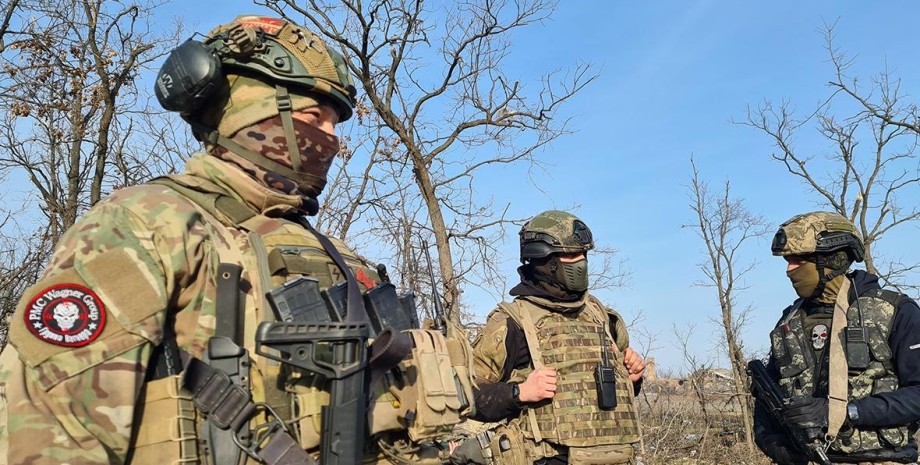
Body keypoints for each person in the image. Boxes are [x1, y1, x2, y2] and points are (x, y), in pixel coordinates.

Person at [0, 15, 472, 465]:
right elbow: (48, 432)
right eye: (315, 117)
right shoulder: (148, 225)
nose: (331, 138)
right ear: (253, 114)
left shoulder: (332, 252)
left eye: (336, 124)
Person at [452, 210, 645, 465]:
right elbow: (464, 396)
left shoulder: (600, 316)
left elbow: (606, 400)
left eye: (583, 254)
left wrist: (631, 378)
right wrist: (519, 392)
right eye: (570, 255)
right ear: (544, 260)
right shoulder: (512, 323)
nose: (580, 262)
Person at [753, 211, 920, 465]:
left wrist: (845, 411)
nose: (789, 270)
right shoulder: (790, 321)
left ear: (833, 259)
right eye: (787, 261)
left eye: (798, 260)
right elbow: (768, 394)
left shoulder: (894, 312)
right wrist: (769, 441)